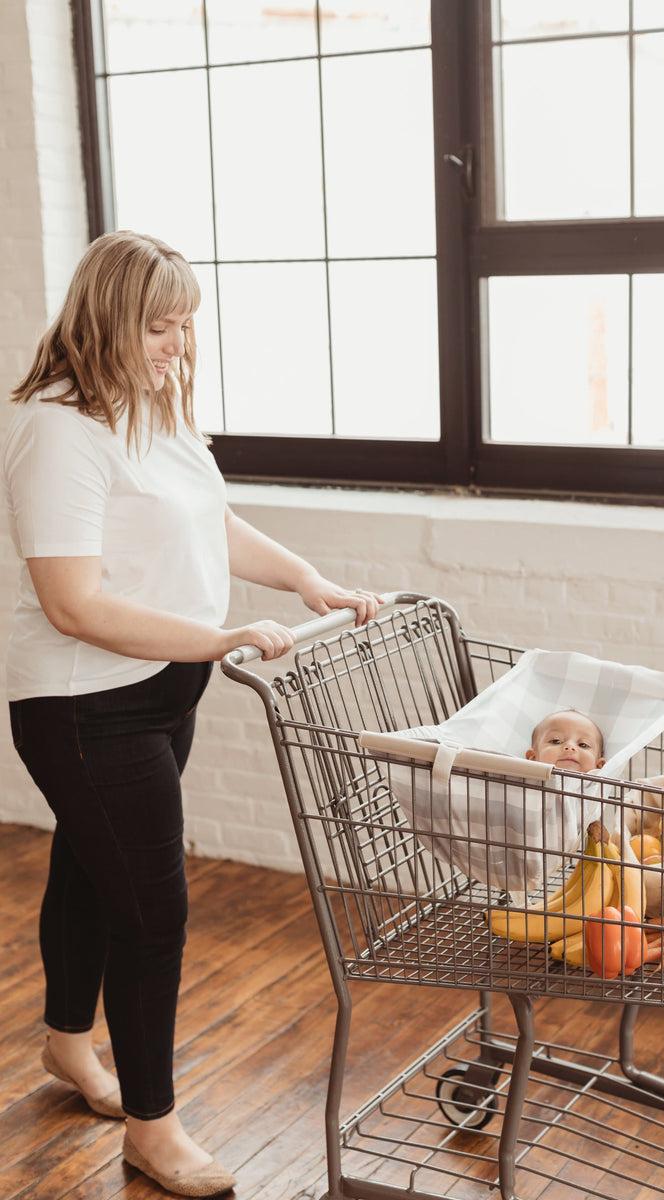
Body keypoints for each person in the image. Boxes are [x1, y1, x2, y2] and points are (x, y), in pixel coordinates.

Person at [3, 230, 383, 1198]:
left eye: (185, 328)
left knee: (93, 875)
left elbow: (206, 519)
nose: (177, 346)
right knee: (154, 917)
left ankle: (65, 1048)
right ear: (103, 320)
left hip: (160, 690)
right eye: (157, 327)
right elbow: (73, 605)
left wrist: (307, 581)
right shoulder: (59, 429)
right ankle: (153, 1126)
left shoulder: (152, 410)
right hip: (86, 705)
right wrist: (217, 637)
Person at [525, 709, 606, 773]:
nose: (570, 746)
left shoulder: (599, 787)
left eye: (583, 745)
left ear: (599, 766)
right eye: (556, 741)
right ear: (533, 758)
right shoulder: (523, 782)